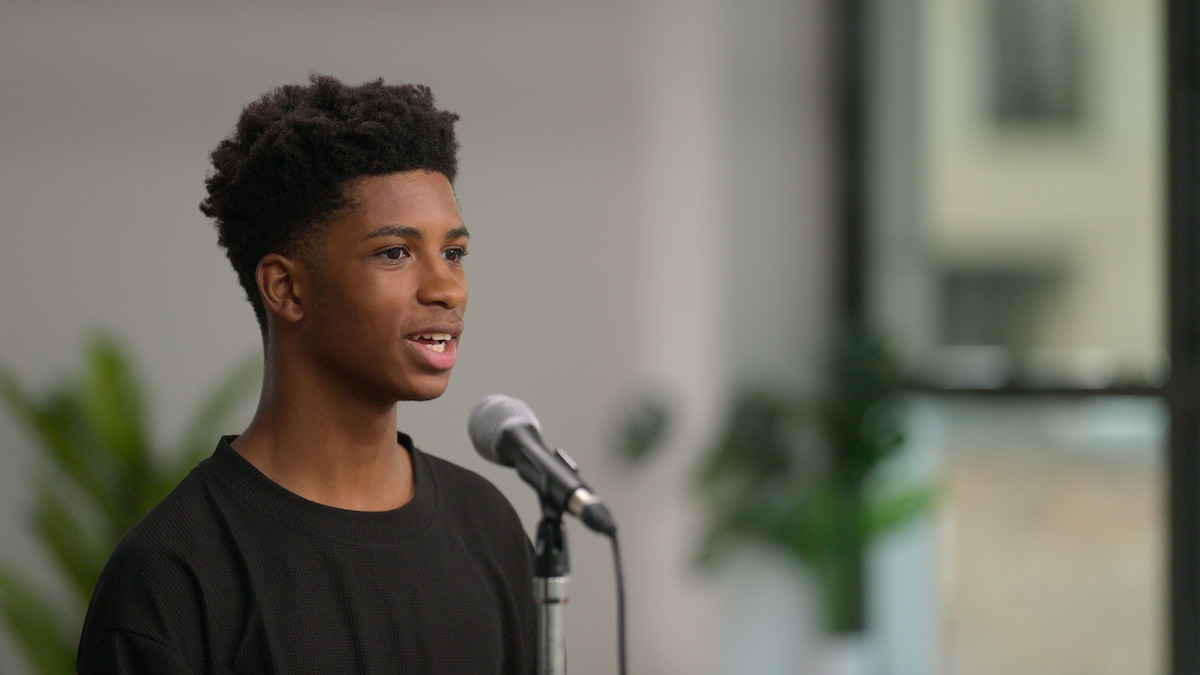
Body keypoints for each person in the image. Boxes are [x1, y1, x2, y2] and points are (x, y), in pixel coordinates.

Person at [76, 74, 536, 673]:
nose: (447, 288)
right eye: (394, 252)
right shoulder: (175, 572)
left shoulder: (489, 530)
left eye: (453, 253)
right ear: (286, 288)